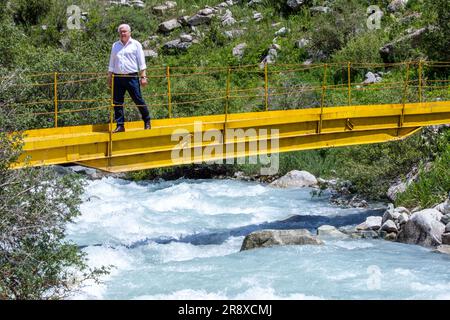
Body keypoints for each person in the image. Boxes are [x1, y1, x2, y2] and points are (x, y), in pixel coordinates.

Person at [108, 24, 151, 133]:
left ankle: (147, 121)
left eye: (125, 31)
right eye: (121, 32)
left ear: (129, 32)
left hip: (131, 76)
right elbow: (112, 62)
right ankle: (120, 125)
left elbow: (142, 63)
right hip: (117, 77)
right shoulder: (115, 45)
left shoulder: (136, 44)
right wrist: (109, 77)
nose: (123, 33)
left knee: (138, 99)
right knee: (117, 102)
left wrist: (143, 77)